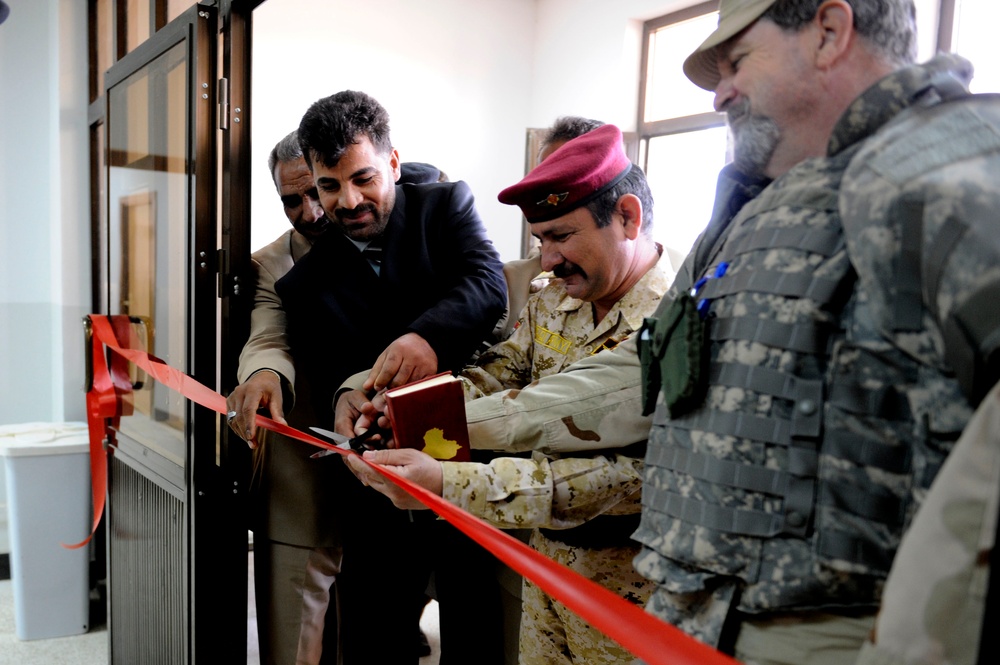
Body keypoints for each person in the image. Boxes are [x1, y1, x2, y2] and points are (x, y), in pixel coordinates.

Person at [346, 1, 1000, 663]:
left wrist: (443, 462)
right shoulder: (771, 204)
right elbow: (647, 390)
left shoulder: (947, 173)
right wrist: (415, 417)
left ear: (830, 32)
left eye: (737, 59)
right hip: (694, 619)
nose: (720, 92)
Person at [344, 123, 673, 665]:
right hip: (544, 581)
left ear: (629, 217)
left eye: (561, 236)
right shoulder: (553, 299)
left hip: (631, 597)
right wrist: (408, 411)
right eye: (541, 241)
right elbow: (504, 369)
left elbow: (627, 477)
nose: (546, 262)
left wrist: (448, 483)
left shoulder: (676, 324)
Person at [276, 89, 507, 665]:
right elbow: (325, 369)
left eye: (364, 179)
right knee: (374, 632)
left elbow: (487, 286)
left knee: (475, 628)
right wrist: (343, 395)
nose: (348, 201)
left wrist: (425, 338)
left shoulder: (446, 206)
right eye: (330, 186)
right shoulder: (303, 285)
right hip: (375, 482)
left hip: (466, 463)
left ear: (395, 164)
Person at [226, 130, 450, 664]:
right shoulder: (273, 265)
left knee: (388, 624)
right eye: (291, 200)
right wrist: (262, 374)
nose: (309, 212)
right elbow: (268, 335)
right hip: (310, 470)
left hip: (402, 463)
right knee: (299, 632)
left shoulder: (414, 228)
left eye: (316, 192)